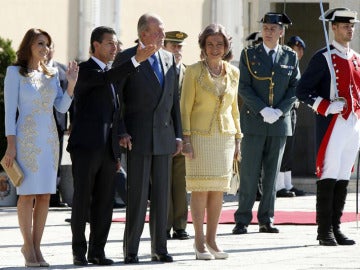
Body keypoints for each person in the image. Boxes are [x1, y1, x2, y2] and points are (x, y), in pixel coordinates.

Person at [67, 26, 155, 266]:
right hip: (85, 148)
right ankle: (78, 252)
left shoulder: (111, 73)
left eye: (116, 43)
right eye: (109, 43)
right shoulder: (85, 70)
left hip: (107, 150)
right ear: (95, 45)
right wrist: (136, 59)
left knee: (105, 202)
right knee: (82, 200)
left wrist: (118, 142)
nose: (115, 48)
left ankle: (97, 251)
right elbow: (105, 79)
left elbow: (115, 113)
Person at [2, 28, 78, 267]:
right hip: (26, 139)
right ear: (29, 46)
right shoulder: (15, 73)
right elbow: (8, 113)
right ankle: (27, 247)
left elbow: (62, 108)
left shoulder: (52, 73)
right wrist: (10, 146)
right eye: (40, 44)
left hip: (49, 141)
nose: (45, 48)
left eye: (47, 44)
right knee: (27, 194)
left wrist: (71, 86)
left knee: (45, 195)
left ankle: (36, 247)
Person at [112, 13, 182, 264]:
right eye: (158, 32)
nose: (163, 36)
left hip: (164, 136)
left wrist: (178, 135)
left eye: (163, 32)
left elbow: (174, 100)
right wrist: (121, 131)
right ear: (143, 34)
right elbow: (116, 100)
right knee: (138, 196)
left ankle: (159, 248)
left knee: (162, 196)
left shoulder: (169, 59)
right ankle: (131, 250)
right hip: (137, 137)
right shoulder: (126, 57)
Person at [232, 12, 300, 235]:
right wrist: (262, 109)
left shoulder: (290, 56)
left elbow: (294, 88)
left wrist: (280, 110)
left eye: (273, 28)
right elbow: (243, 86)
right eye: (266, 28)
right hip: (254, 121)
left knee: (271, 175)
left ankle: (266, 218)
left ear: (282, 32)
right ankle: (242, 218)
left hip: (279, 123)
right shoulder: (249, 54)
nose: (268, 32)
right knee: (250, 172)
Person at [296, 7, 359, 246]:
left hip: (353, 124)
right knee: (329, 174)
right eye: (344, 25)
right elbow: (302, 90)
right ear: (333, 27)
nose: (349, 29)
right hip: (333, 124)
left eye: (352, 25)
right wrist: (324, 105)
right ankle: (324, 231)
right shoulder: (323, 58)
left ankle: (336, 226)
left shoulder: (356, 58)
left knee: (344, 176)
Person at [181, 23, 241, 260]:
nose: (215, 49)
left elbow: (235, 109)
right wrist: (186, 138)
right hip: (199, 137)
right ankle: (198, 241)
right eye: (210, 44)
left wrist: (238, 139)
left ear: (226, 46)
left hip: (224, 137)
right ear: (203, 47)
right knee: (200, 189)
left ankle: (212, 240)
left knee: (218, 190)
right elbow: (185, 107)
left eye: (219, 44)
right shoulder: (193, 71)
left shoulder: (233, 72)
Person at [163, 30, 190, 240]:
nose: (177, 50)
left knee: (180, 182)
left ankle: (180, 225)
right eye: (173, 46)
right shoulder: (159, 72)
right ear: (164, 47)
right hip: (163, 133)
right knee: (164, 181)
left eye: (180, 46)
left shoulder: (188, 73)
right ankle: (163, 224)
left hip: (183, 133)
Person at [275, 35, 307, 198]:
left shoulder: (296, 66)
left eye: (300, 49)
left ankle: (287, 183)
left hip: (293, 110)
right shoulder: (284, 65)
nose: (298, 51)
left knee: (290, 148)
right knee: (284, 147)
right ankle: (279, 185)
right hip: (284, 110)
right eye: (295, 48)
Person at [46, 42, 70, 207]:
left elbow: (70, 98)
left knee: (55, 160)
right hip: (35, 125)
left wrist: (72, 122)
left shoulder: (62, 70)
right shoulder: (26, 70)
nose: (46, 50)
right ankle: (31, 196)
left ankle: (53, 196)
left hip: (58, 123)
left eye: (49, 46)